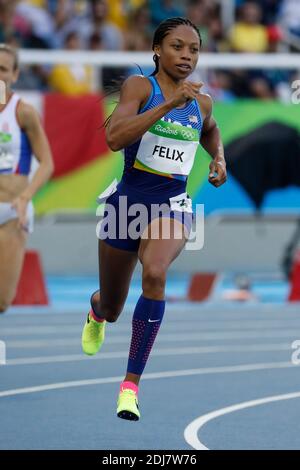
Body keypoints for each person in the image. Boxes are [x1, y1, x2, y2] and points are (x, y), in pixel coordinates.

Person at [81, 17, 227, 421]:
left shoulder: (202, 102)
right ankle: (96, 311)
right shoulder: (139, 87)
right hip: (127, 203)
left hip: (172, 204)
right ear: (158, 51)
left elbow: (209, 130)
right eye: (178, 47)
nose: (186, 56)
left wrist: (218, 157)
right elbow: (114, 138)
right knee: (113, 306)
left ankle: (130, 387)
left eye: (194, 49)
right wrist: (168, 104)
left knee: (156, 273)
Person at [0, 43, 53, 313]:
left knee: (2, 300)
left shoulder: (24, 112)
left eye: (3, 69)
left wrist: (25, 197)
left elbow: (47, 164)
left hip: (11, 212)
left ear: (15, 74)